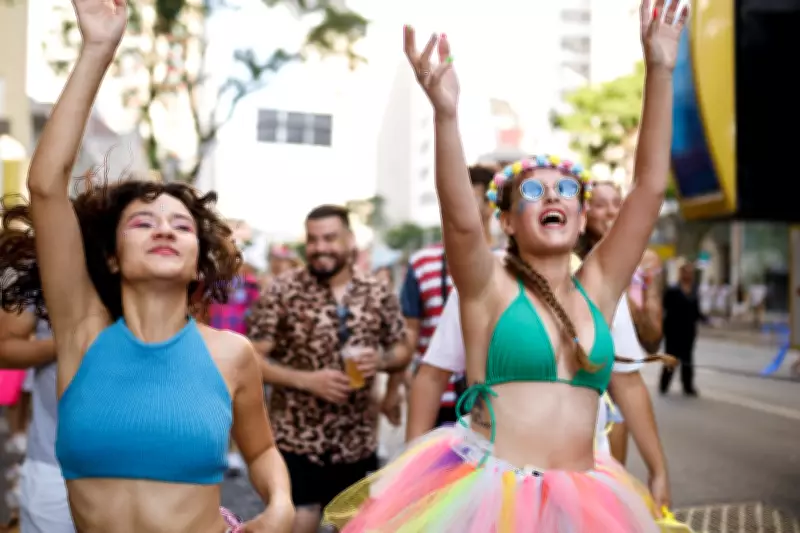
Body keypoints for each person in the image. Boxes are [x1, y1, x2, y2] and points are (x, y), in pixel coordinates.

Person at [322, 1, 687, 529]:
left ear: (582, 216)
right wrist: (445, 115)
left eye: (565, 190)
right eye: (532, 192)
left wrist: (660, 69)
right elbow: (461, 221)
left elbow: (649, 187)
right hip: (490, 495)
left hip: (583, 500)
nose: (551, 196)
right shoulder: (486, 283)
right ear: (510, 221)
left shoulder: (601, 286)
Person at [0, 0, 294, 531]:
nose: (163, 228)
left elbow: (262, 451)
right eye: (142, 223)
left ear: (198, 265)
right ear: (112, 257)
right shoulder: (81, 333)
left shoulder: (232, 355)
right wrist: (97, 49)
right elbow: (45, 186)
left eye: (181, 226)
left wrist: (279, 506)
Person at [247, 204, 410, 533]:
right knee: (300, 522)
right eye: (313, 239)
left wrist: (379, 362)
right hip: (296, 441)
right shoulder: (282, 290)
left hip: (357, 442)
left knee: (352, 526)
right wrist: (306, 381)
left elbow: (403, 348)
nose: (319, 247)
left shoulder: (377, 292)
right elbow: (248, 359)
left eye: (330, 238)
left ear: (350, 240)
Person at [392, 165, 495, 429]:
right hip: (437, 403)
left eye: (467, 200)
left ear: (491, 205)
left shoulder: (510, 264)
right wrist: (395, 382)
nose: (457, 210)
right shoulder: (422, 262)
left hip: (494, 405)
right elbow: (409, 335)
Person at [578, 181, 667, 467]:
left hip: (615, 394)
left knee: (611, 478)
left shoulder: (644, 262)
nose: (611, 212)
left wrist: (632, 287)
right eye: (600, 204)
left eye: (618, 203)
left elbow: (653, 338)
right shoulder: (568, 261)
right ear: (584, 211)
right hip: (578, 394)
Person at [0, 308, 73, 533]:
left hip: (143, 470)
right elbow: (4, 347)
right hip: (52, 466)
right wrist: (66, 343)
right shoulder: (40, 276)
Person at [661, 259, 704, 396]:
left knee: (687, 358)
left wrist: (705, 319)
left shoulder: (695, 289)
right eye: (686, 272)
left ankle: (688, 386)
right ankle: (664, 384)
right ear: (681, 273)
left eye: (691, 272)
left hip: (689, 330)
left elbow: (696, 310)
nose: (689, 275)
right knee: (671, 358)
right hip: (673, 330)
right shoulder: (673, 289)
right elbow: (665, 307)